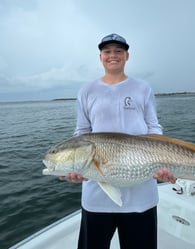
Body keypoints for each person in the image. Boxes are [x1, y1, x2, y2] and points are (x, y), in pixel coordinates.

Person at [65, 33, 176, 249]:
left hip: (141, 195)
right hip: (96, 197)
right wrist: (75, 165)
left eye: (118, 51)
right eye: (107, 51)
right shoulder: (86, 91)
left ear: (127, 56)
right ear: (100, 57)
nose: (112, 55)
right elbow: (82, 132)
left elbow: (154, 128)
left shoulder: (142, 88)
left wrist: (164, 162)